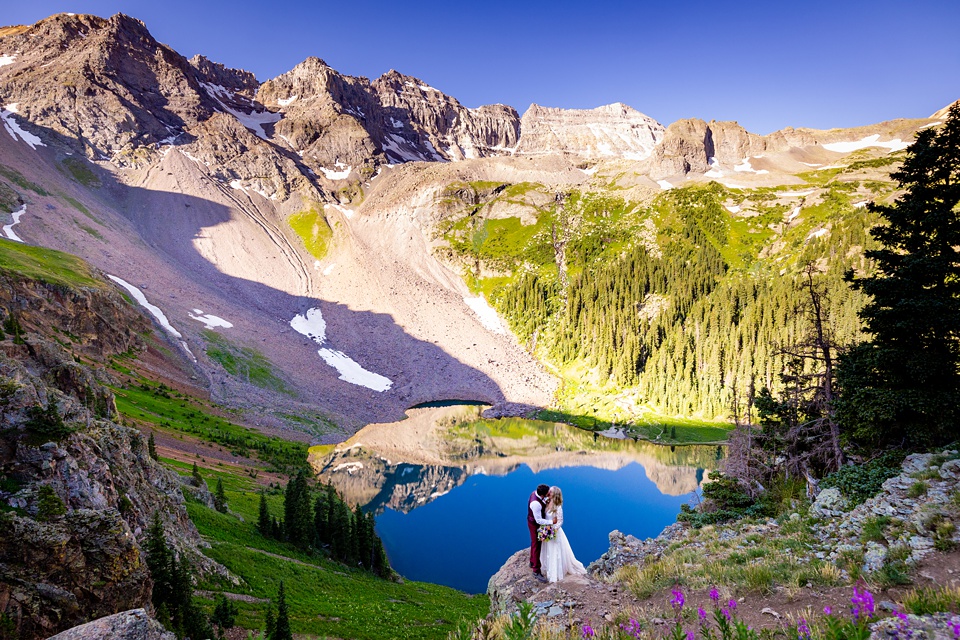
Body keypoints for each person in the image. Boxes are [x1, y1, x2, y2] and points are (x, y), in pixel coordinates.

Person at [540, 486, 586, 583]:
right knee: (547, 549)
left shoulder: (558, 507)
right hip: (547, 529)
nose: (548, 492)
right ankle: (546, 568)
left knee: (554, 550)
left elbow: (560, 521)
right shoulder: (547, 502)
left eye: (550, 491)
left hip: (553, 531)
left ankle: (554, 573)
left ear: (554, 494)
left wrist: (552, 530)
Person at [527, 483, 554, 580]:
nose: (549, 494)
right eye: (548, 493)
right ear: (543, 494)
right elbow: (538, 520)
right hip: (535, 525)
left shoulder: (535, 493)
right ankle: (536, 571)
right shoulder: (536, 504)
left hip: (534, 522)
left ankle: (532, 561)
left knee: (535, 544)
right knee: (536, 545)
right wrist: (551, 522)